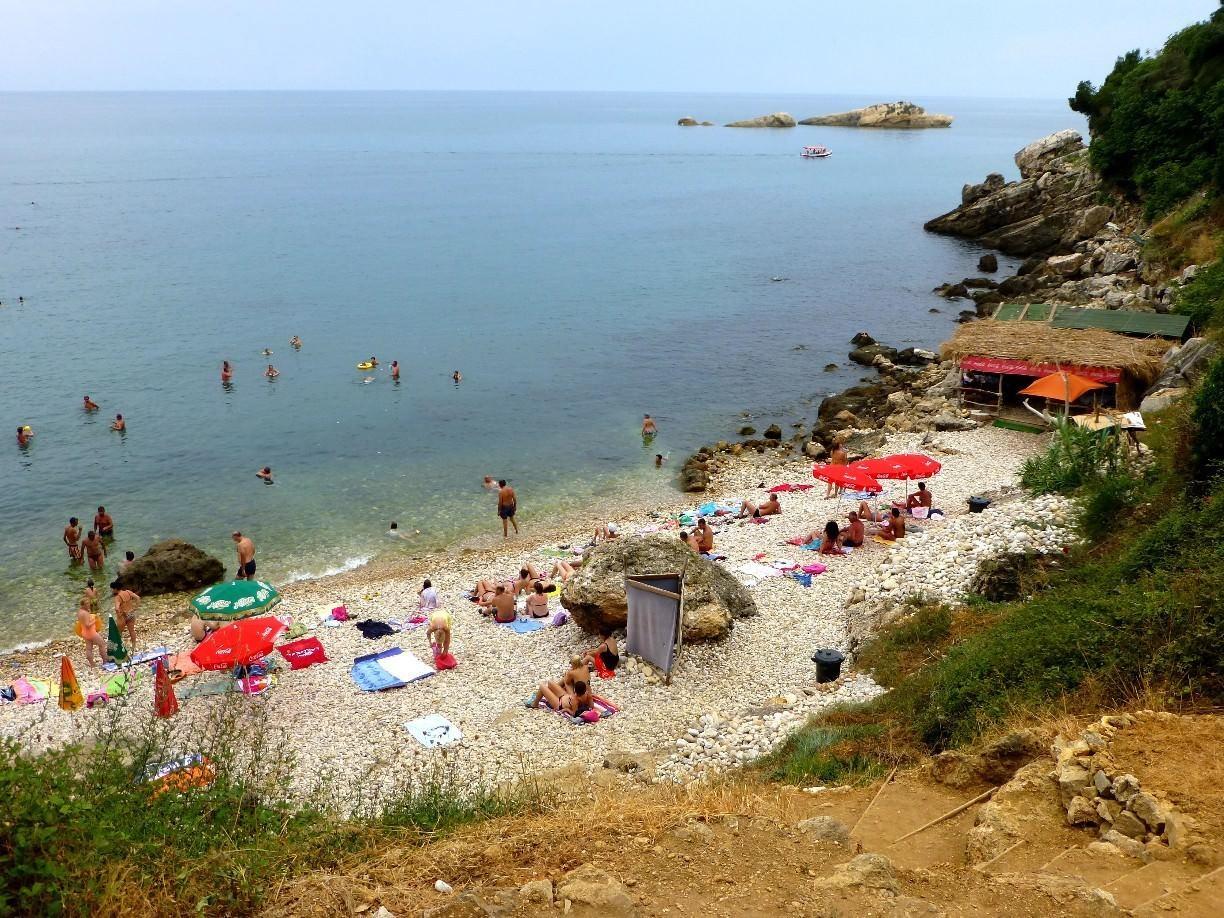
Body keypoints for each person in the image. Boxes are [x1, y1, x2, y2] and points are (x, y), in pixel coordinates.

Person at [76, 598, 108, 667]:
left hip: (84, 633)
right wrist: (95, 620)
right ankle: (105, 661)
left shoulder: (79, 612)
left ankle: (92, 664)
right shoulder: (85, 613)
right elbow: (87, 625)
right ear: (83, 605)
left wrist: (89, 613)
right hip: (91, 632)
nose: (89, 605)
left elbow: (82, 622)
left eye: (89, 603)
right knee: (102, 644)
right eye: (86, 604)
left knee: (89, 648)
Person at [112, 582, 140, 647]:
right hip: (131, 613)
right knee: (132, 631)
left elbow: (117, 608)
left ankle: (119, 647)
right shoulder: (128, 592)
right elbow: (138, 598)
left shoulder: (117, 597)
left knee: (119, 633)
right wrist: (135, 608)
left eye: (112, 589)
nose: (112, 590)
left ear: (115, 589)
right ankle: (134, 646)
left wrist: (119, 614)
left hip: (123, 616)